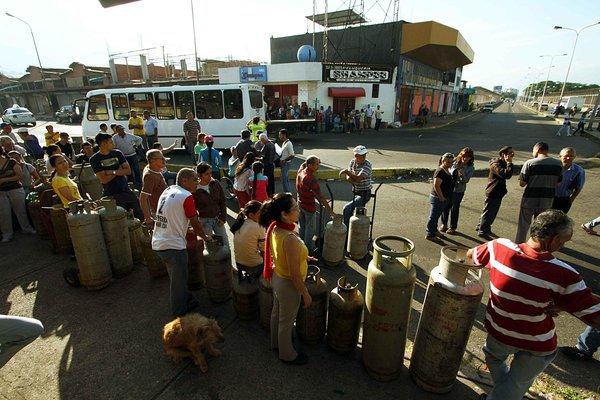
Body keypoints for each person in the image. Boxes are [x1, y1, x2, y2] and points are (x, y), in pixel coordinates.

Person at [467, 210, 600, 400]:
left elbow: (472, 254)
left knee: (493, 357)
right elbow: (595, 317)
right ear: (553, 239)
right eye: (563, 242)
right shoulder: (565, 274)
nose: (561, 246)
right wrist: (564, 304)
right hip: (537, 342)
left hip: (499, 331)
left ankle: (503, 393)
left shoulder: (498, 247)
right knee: (516, 384)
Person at [259, 193, 312, 365]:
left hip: (277, 277)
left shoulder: (276, 227)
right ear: (284, 214)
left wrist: (303, 257)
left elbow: (281, 254)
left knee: (277, 313)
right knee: (286, 321)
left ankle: (276, 344)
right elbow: (295, 275)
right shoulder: (289, 238)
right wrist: (305, 293)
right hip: (289, 284)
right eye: (295, 208)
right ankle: (287, 354)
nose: (298, 210)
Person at [152, 168, 209, 317]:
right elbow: (196, 223)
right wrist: (205, 238)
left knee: (178, 277)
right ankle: (180, 312)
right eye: (194, 179)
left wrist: (185, 229)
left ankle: (187, 299)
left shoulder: (169, 190)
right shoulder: (186, 196)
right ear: (184, 181)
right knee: (178, 282)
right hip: (173, 246)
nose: (197, 182)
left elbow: (172, 215)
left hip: (159, 242)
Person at [515, 142, 563, 244]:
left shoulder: (530, 163)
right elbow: (558, 183)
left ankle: (520, 245)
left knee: (523, 225)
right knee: (541, 225)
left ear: (537, 150)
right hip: (547, 200)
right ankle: (537, 245)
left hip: (529, 198)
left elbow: (522, 183)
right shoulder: (558, 164)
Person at [90, 132, 144, 220]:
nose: (113, 144)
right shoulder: (94, 159)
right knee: (121, 219)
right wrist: (119, 170)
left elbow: (128, 170)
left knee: (139, 214)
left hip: (125, 190)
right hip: (111, 194)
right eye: (111, 142)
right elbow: (104, 179)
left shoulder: (118, 153)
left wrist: (111, 172)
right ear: (104, 144)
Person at [296, 156, 336, 253]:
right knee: (310, 229)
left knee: (302, 226)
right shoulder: (311, 179)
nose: (319, 166)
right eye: (317, 164)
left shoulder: (301, 171)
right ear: (310, 165)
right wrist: (331, 212)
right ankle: (308, 250)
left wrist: (312, 161)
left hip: (300, 204)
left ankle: (300, 246)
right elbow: (321, 197)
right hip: (309, 207)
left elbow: (303, 164)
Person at [476, 146, 514, 238]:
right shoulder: (496, 164)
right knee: (489, 212)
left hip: (497, 191)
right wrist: (509, 163)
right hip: (493, 191)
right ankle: (483, 230)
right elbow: (506, 175)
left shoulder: (501, 163)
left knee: (489, 211)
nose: (512, 155)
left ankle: (481, 226)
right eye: (510, 153)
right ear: (503, 154)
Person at [0, 147, 36, 242]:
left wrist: (4, 180)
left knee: (21, 210)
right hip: (1, 192)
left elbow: (19, 176)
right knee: (4, 213)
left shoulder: (11, 162)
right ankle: (7, 234)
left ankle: (26, 228)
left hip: (15, 189)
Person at [193, 162, 229, 247]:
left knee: (225, 244)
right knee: (210, 247)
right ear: (199, 175)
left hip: (218, 219)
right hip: (204, 221)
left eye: (210, 173)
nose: (210, 176)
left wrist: (223, 217)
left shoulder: (215, 183)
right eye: (206, 174)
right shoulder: (194, 189)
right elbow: (194, 208)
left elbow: (222, 201)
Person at [441, 147, 474, 234]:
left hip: (459, 190)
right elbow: (447, 170)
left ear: (471, 158)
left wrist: (462, 174)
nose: (465, 159)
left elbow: (466, 180)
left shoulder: (470, 168)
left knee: (454, 208)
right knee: (445, 206)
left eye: (468, 157)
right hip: (449, 188)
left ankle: (453, 227)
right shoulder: (454, 162)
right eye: (464, 156)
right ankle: (444, 224)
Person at [340, 145, 373, 229]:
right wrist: (351, 177)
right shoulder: (352, 162)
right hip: (356, 192)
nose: (364, 157)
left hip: (365, 193)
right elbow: (349, 178)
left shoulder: (367, 165)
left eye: (365, 154)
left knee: (346, 209)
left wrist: (348, 173)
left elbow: (357, 178)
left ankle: (346, 231)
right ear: (356, 156)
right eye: (362, 155)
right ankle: (351, 229)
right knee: (352, 212)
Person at [425, 153, 457, 240]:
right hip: (438, 198)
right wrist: (441, 197)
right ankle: (430, 234)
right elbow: (436, 186)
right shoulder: (440, 171)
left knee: (436, 216)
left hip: (443, 198)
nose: (450, 164)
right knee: (433, 217)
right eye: (448, 162)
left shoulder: (447, 170)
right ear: (443, 161)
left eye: (451, 162)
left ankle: (434, 230)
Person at [231, 200, 265, 279]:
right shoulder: (258, 227)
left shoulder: (240, 222)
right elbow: (263, 251)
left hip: (238, 262)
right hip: (253, 265)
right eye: (260, 213)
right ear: (251, 215)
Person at [551, 147, 584, 214]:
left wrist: (570, 201)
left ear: (574, 157)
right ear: (560, 156)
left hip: (564, 200)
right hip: (549, 198)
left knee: (559, 222)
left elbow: (578, 187)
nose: (568, 158)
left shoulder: (578, 171)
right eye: (566, 156)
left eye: (571, 156)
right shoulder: (553, 167)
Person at [140, 149, 168, 226]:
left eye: (164, 158)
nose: (164, 160)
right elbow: (143, 198)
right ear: (152, 161)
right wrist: (147, 217)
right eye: (161, 159)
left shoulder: (153, 168)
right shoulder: (150, 176)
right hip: (159, 213)